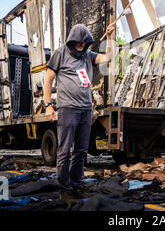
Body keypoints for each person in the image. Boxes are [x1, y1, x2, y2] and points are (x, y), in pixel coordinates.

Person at [43, 23, 115, 203]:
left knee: (81, 151)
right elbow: (48, 79)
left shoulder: (88, 56)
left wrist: (109, 36)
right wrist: (48, 105)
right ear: (71, 41)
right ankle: (64, 190)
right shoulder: (60, 54)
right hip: (67, 109)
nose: (81, 45)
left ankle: (76, 186)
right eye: (78, 41)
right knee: (64, 151)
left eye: (84, 42)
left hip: (85, 110)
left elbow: (108, 57)